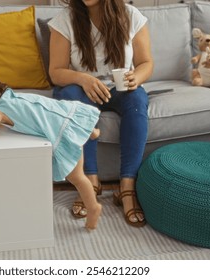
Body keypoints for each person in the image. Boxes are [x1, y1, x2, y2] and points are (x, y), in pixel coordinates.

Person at [0, 74, 102, 230]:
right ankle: (89, 130)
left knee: (77, 178)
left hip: (64, 133)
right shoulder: (10, 96)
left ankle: (93, 208)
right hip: (68, 115)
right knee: (59, 120)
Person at [48, 0, 154, 227]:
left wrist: (138, 77)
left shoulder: (131, 15)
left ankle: (127, 188)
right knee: (71, 96)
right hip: (81, 90)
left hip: (119, 89)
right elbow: (56, 72)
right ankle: (89, 184)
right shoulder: (64, 20)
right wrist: (83, 78)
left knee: (138, 98)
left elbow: (145, 62)